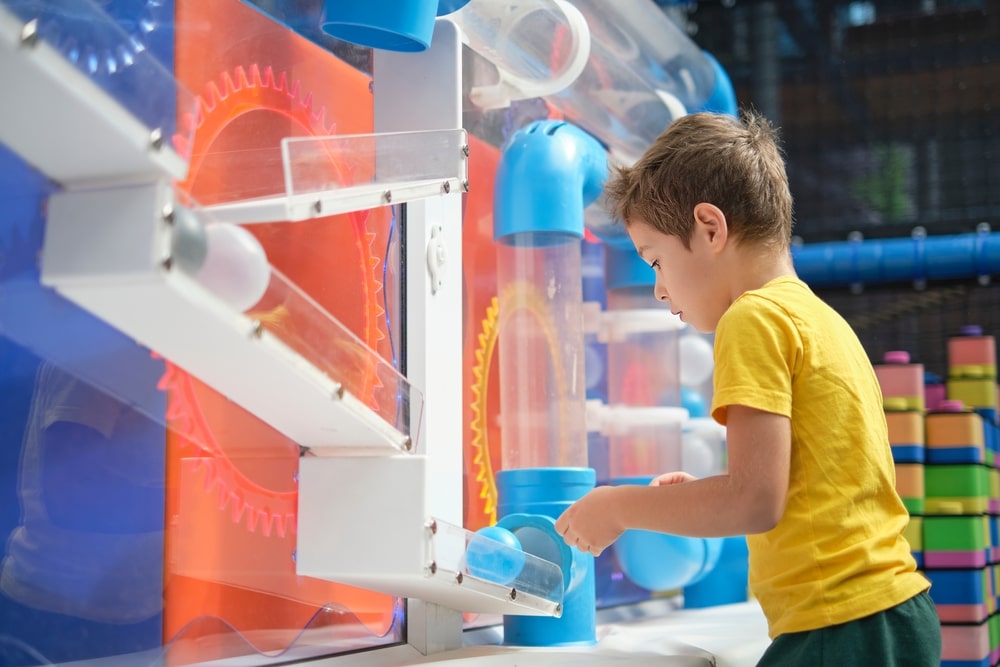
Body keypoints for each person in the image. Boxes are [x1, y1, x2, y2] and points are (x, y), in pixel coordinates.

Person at [555, 111, 941, 665]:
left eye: (657, 261)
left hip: (842, 625)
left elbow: (754, 501)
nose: (660, 289)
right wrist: (700, 496)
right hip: (887, 615)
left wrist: (618, 507)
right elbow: (798, 489)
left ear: (710, 229)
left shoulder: (751, 319)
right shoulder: (818, 318)